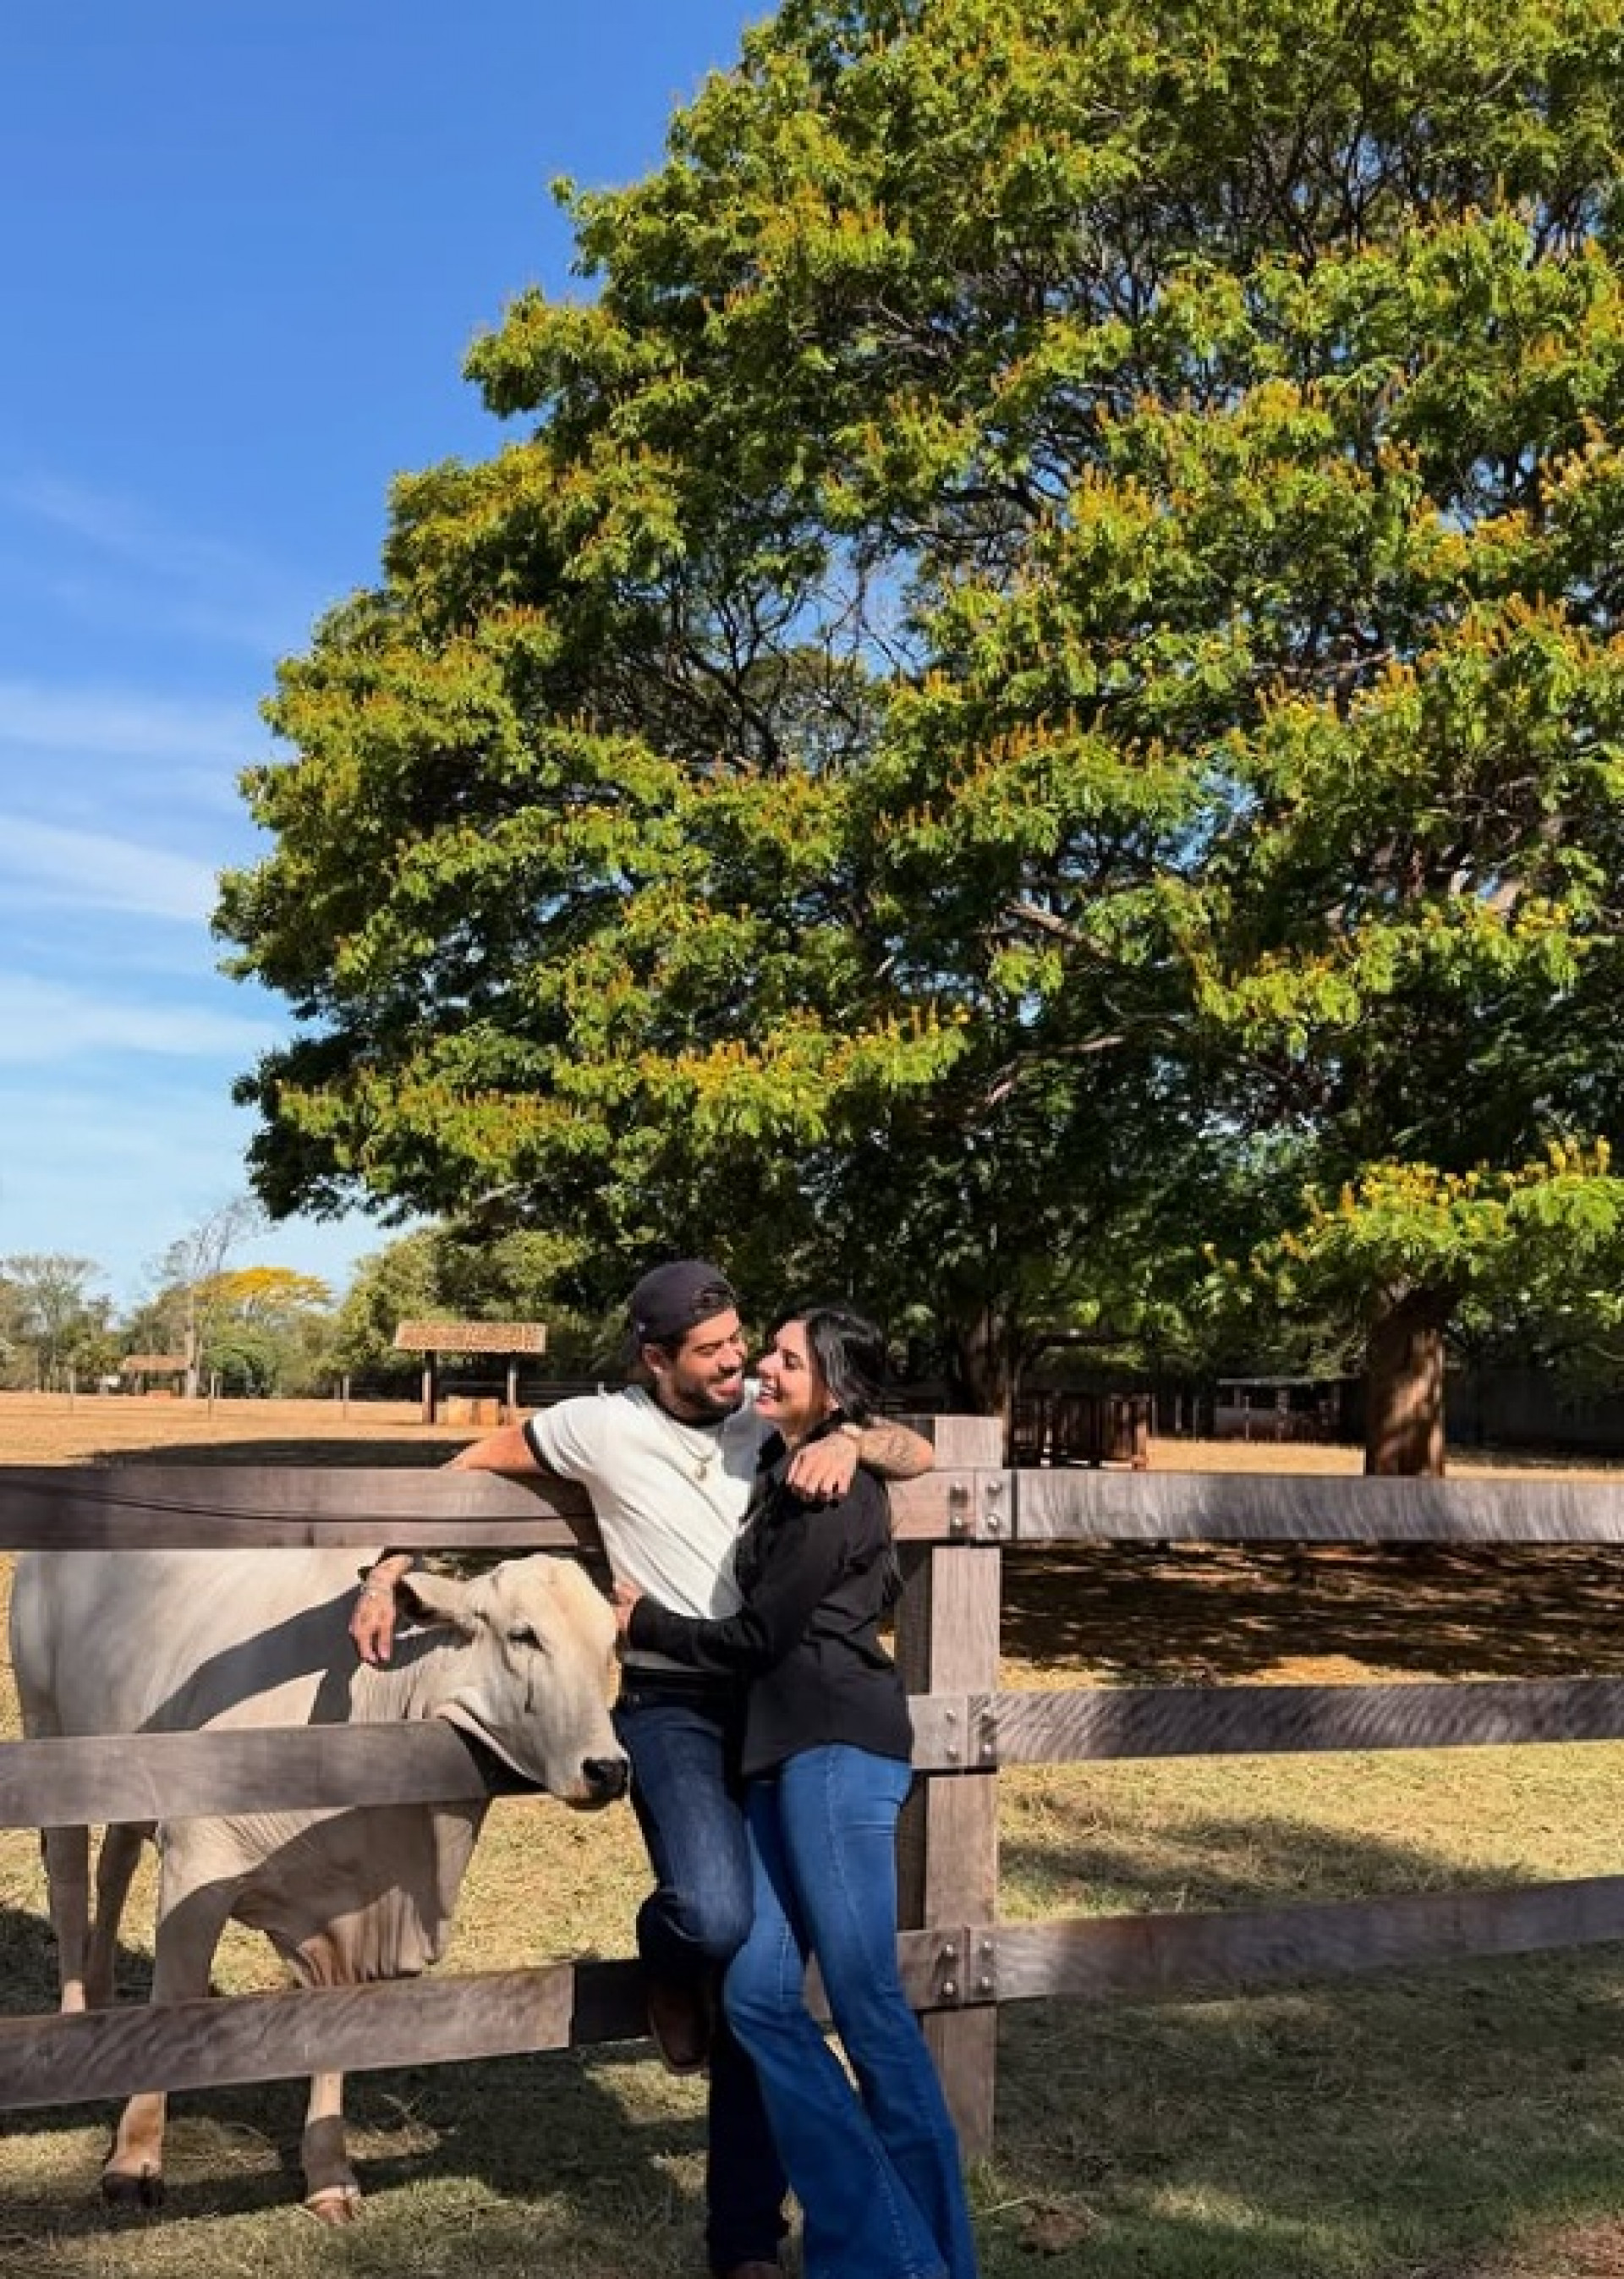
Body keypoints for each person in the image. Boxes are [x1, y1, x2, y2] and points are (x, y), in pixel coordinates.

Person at [351, 1260, 935, 2279]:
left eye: (744, 1341)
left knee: (758, 1982)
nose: (739, 1362)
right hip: (670, 1706)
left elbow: (916, 1449)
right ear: (655, 1358)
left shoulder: (766, 1418)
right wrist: (391, 1565)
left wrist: (846, 1437)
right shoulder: (598, 1427)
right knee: (712, 1917)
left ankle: (745, 2240)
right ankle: (669, 1958)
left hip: (769, 1706)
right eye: (712, 1351)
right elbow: (475, 1457)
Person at [612, 1302, 979, 2279]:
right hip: (777, 1761)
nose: (763, 1370)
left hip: (834, 1749)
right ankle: (877, 2244)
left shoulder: (826, 1490)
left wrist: (647, 1624)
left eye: (787, 1360)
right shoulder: (786, 1463)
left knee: (866, 2002)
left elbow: (760, 1638)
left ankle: (930, 2261)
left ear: (834, 1387)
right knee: (760, 1997)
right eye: (765, 1354)